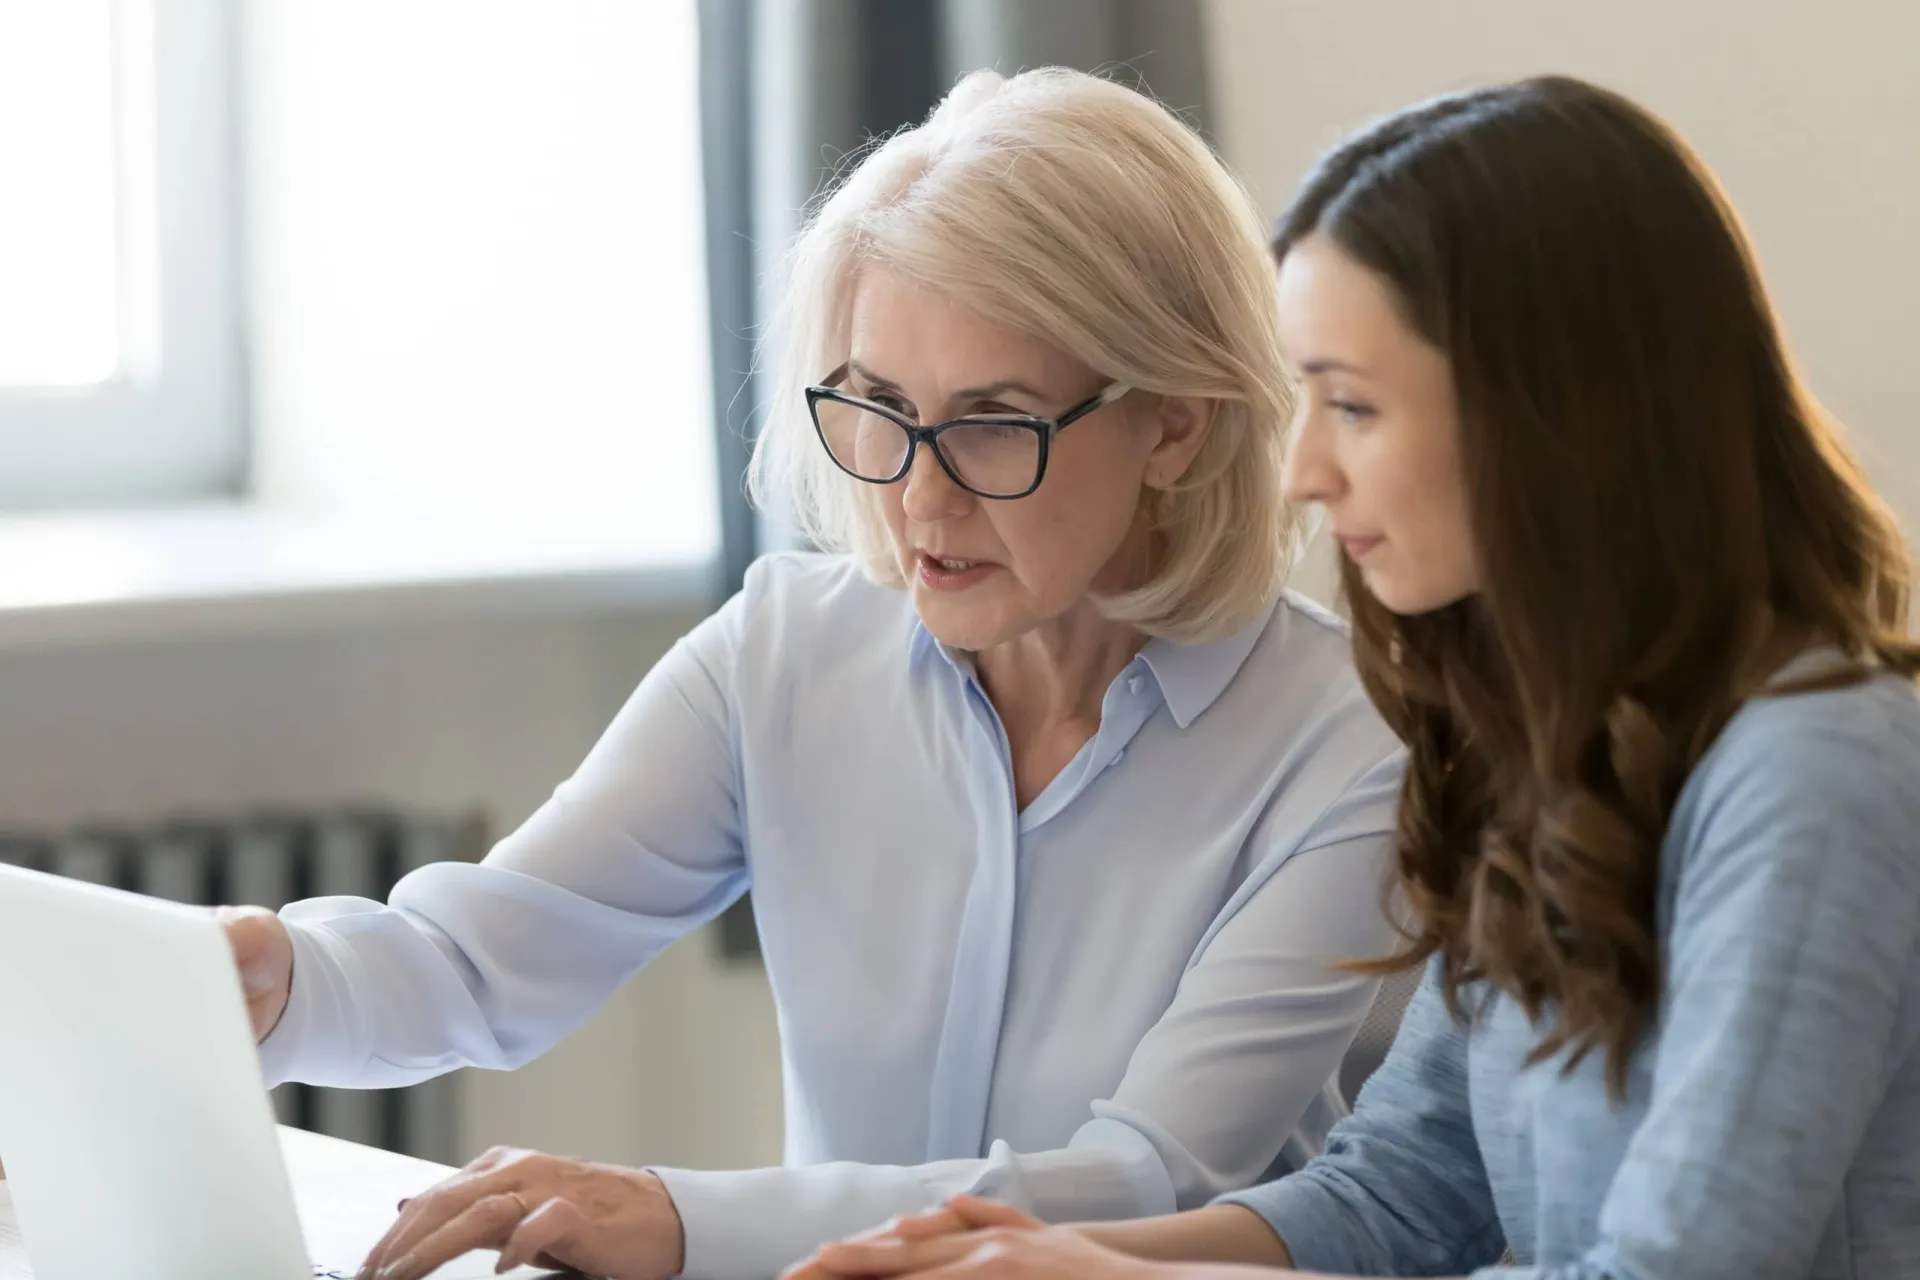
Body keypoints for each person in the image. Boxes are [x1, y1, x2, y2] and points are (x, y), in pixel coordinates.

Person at [217, 67, 1406, 1280]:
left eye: (993, 420)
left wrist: (677, 1217)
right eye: (880, 406)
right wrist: (278, 974)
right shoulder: (786, 651)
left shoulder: (1350, 749)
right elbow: (479, 955)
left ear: (1175, 423)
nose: (917, 496)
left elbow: (1148, 1177)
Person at [792, 74, 1920, 1280]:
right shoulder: (1543, 754)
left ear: (1550, 421)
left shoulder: (1814, 769)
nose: (1303, 473)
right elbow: (1398, 1195)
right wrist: (1041, 1254)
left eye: (1354, 404)